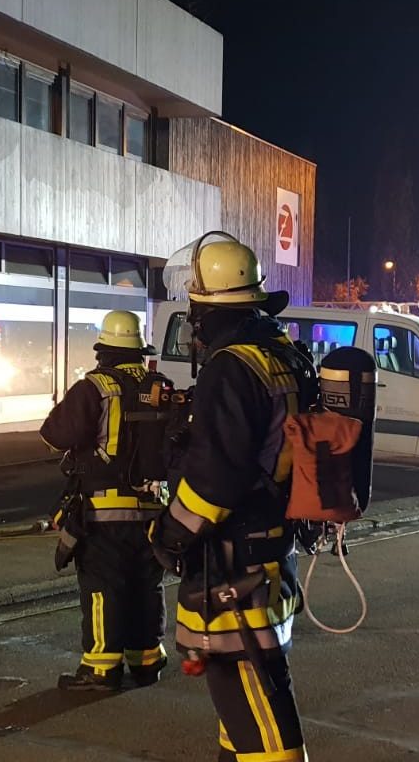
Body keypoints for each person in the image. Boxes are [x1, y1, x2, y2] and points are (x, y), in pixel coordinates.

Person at [150, 235, 310, 761]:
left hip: (234, 564)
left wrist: (170, 535)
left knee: (258, 703)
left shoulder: (232, 366)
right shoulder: (281, 354)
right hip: (270, 552)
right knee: (241, 704)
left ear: (205, 308)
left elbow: (214, 479)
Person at [41, 310, 169, 691]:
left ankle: (101, 668)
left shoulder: (94, 387)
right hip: (152, 510)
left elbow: (54, 435)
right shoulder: (159, 386)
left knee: (103, 587)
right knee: (146, 585)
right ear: (139, 351)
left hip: (103, 513)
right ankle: (147, 660)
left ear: (104, 351)